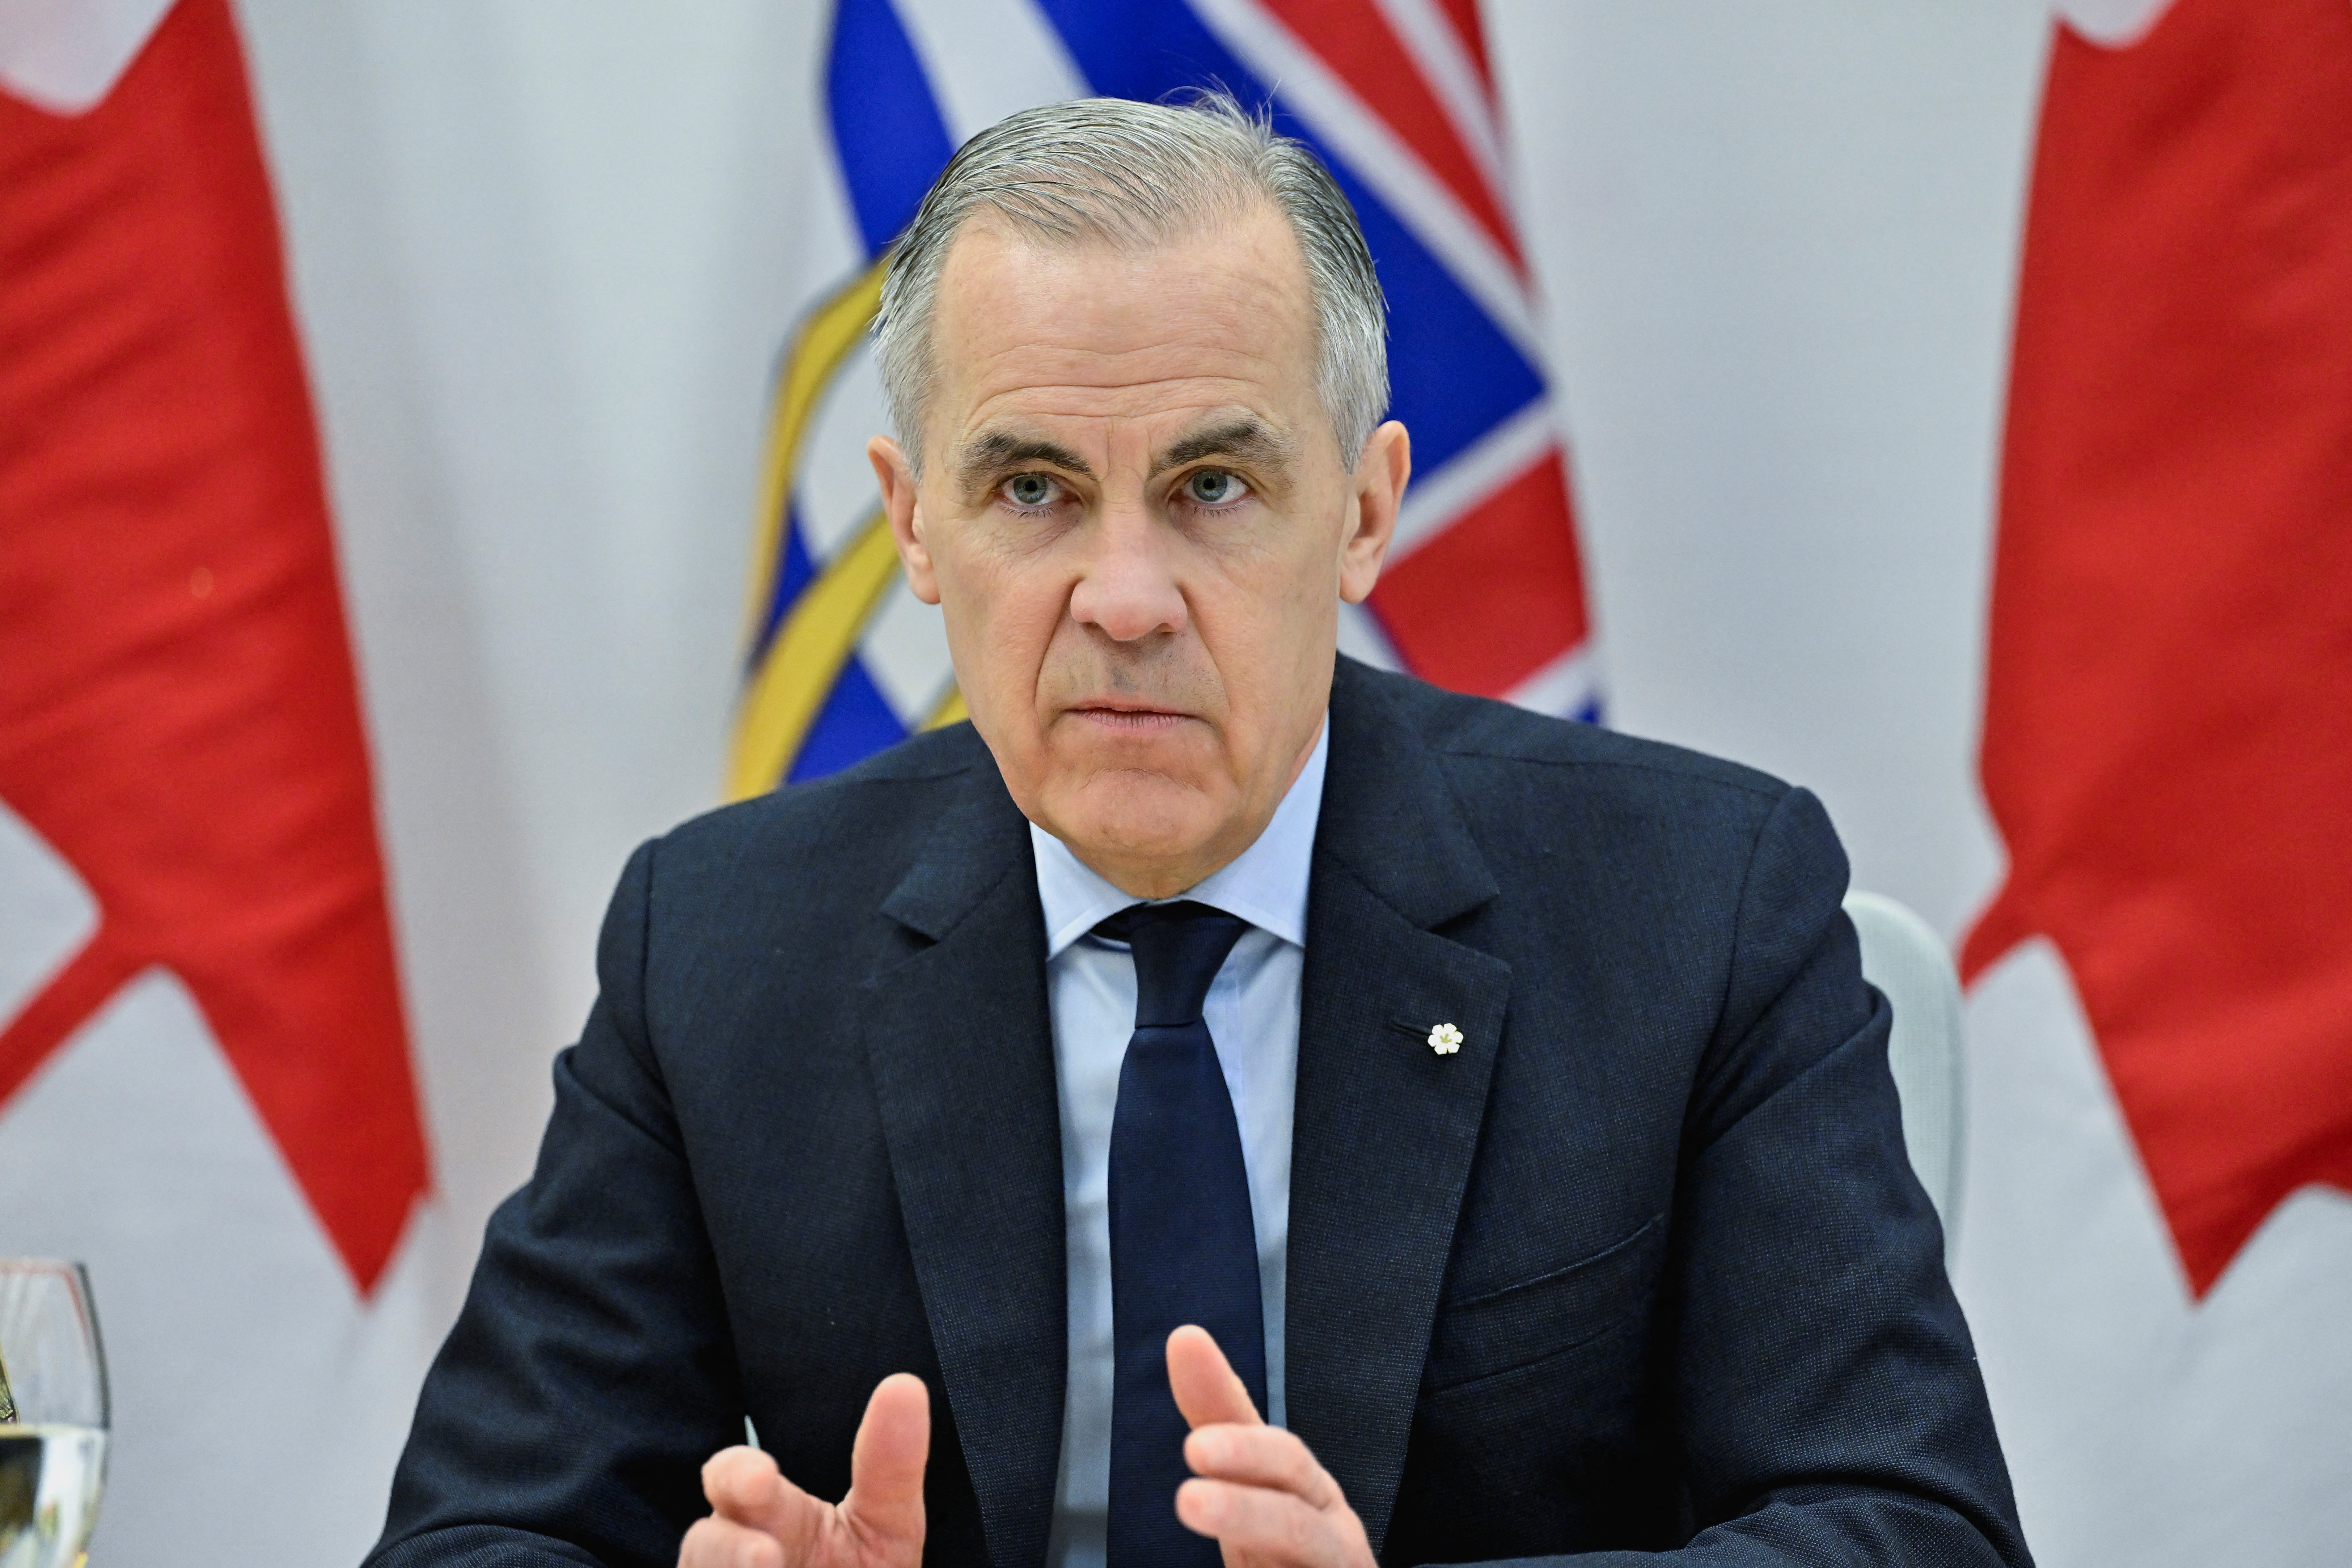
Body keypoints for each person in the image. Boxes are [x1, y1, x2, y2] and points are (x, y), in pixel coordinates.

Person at [368, 96, 2031, 1568]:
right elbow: (477, 1531)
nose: (1125, 598)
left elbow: (1906, 1525)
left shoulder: (1693, 908)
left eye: (1212, 488)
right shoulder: (717, 948)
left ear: (1364, 511)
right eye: (1030, 491)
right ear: (910, 524)